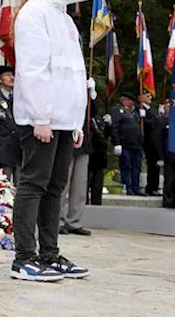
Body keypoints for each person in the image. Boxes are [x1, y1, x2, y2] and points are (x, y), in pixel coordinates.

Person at [8, 0, 89, 283]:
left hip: (64, 121)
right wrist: (42, 117)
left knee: (55, 187)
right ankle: (24, 258)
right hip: (41, 120)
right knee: (33, 185)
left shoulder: (64, 17)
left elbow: (73, 73)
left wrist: (76, 121)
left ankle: (49, 254)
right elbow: (34, 70)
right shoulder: (34, 12)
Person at [59, 77, 98, 235]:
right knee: (62, 184)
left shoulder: (85, 93)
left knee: (80, 186)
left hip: (83, 143)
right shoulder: (63, 90)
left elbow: (92, 114)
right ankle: (58, 220)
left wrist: (92, 96)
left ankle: (74, 221)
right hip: (67, 140)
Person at [107, 93, 143, 195]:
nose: (131, 102)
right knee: (126, 167)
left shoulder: (135, 113)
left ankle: (136, 187)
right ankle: (127, 187)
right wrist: (116, 142)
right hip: (125, 144)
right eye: (128, 100)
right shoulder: (118, 111)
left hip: (136, 145)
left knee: (137, 168)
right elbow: (114, 127)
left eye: (131, 100)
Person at [141, 93, 164, 196]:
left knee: (155, 167)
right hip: (147, 142)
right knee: (151, 166)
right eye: (147, 96)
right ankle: (150, 188)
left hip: (154, 143)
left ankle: (154, 187)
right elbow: (147, 125)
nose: (149, 98)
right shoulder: (140, 109)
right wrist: (144, 118)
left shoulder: (151, 110)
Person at [86, 112, 108, 206]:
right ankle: (84, 203)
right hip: (89, 158)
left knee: (97, 186)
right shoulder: (86, 120)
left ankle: (97, 203)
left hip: (99, 159)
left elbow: (105, 137)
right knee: (85, 184)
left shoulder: (99, 119)